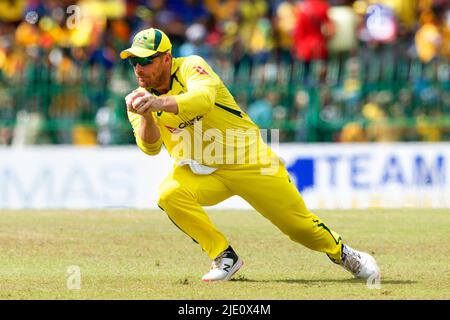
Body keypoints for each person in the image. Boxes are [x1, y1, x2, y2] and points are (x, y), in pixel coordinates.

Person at [120, 28, 380, 282]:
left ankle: (344, 254)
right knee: (170, 195)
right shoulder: (137, 101)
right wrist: (146, 116)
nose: (138, 68)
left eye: (146, 60)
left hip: (250, 160)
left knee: (299, 228)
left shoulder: (190, 66)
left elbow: (203, 99)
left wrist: (158, 104)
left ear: (166, 58)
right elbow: (151, 148)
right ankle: (224, 257)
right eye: (134, 61)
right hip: (203, 170)